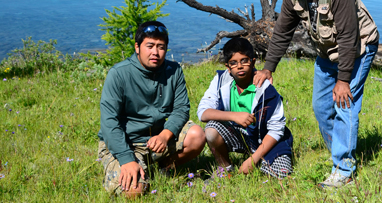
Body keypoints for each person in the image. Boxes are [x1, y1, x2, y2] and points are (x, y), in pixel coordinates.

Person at [254, 0, 379, 189]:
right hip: (326, 53)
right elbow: (281, 33)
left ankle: (344, 169)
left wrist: (343, 80)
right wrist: (269, 67)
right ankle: (341, 155)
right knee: (321, 107)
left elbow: (348, 39)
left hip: (357, 49)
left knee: (345, 105)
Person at [98, 21, 206, 198]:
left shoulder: (174, 70)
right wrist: (127, 159)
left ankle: (162, 169)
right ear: (137, 47)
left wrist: (165, 134)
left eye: (161, 47)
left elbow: (181, 109)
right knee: (134, 192)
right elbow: (109, 122)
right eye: (150, 46)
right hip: (125, 144)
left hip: (157, 140)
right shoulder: (119, 74)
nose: (155, 52)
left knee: (197, 135)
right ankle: (130, 170)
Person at [197, 37, 293, 179]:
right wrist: (234, 116)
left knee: (280, 173)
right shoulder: (221, 80)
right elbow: (202, 113)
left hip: (266, 140)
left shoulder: (266, 89)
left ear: (253, 62)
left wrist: (253, 160)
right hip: (239, 134)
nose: (239, 66)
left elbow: (276, 129)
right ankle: (225, 168)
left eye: (244, 61)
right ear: (228, 67)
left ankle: (260, 160)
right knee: (211, 128)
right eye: (233, 63)